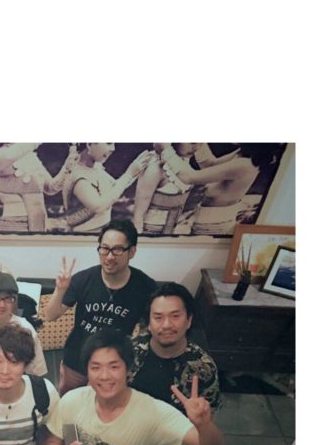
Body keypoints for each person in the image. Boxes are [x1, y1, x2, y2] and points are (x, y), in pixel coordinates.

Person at [44, 329, 224, 445]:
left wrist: (204, 425)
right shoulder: (73, 401)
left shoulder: (154, 413)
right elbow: (52, 441)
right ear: (87, 371)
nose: (104, 376)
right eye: (96, 367)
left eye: (114, 367)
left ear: (128, 369)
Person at [43, 218, 156, 395]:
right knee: (68, 403)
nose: (109, 256)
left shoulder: (145, 287)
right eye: (104, 248)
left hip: (113, 364)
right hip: (76, 360)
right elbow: (50, 316)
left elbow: (149, 328)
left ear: (132, 252)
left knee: (104, 406)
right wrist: (60, 289)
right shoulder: (83, 279)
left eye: (117, 249)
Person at [129, 282, 222, 445]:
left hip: (163, 439)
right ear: (149, 323)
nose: (166, 325)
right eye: (158, 317)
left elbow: (206, 416)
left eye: (175, 316)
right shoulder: (131, 351)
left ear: (188, 320)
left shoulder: (202, 367)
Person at [151, 143, 280, 235]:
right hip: (210, 217)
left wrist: (166, 149)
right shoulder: (242, 154)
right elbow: (209, 165)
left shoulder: (244, 164)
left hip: (213, 223)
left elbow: (188, 177)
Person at [58, 143, 154, 233]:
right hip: (84, 237)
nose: (113, 148)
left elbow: (116, 187)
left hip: (101, 233)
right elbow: (99, 207)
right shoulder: (78, 177)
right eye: (108, 143)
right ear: (89, 144)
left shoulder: (95, 166)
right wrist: (129, 174)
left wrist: (137, 167)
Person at [0, 142, 70, 233]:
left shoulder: (30, 157)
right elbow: (10, 155)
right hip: (16, 224)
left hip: (40, 223)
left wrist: (68, 165)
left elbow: (50, 188)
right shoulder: (0, 156)